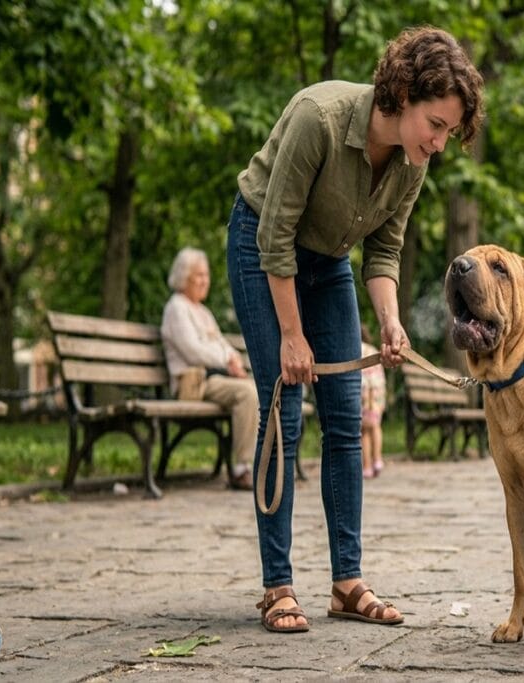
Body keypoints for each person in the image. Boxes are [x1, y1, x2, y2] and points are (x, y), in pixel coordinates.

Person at [226, 26, 484, 633]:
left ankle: (346, 583)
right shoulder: (320, 116)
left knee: (346, 413)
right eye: (436, 125)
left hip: (329, 261)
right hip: (262, 246)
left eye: (449, 131)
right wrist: (293, 336)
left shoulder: (411, 163)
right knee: (284, 410)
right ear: (403, 95)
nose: (440, 143)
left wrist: (392, 324)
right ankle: (277, 586)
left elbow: (383, 254)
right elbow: (276, 237)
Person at [161, 247, 259, 490]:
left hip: (211, 379)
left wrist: (232, 358)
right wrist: (228, 361)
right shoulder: (177, 308)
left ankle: (261, 463)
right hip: (194, 383)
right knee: (247, 393)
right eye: (199, 275)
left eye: (206, 275)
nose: (205, 280)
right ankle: (242, 468)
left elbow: (223, 345)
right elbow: (193, 351)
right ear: (184, 277)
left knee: (256, 389)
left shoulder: (202, 311)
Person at [360, 327, 386, 479]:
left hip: (364, 395)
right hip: (377, 395)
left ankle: (368, 466)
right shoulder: (373, 349)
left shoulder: (357, 350)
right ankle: (377, 459)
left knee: (364, 431)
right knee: (376, 426)